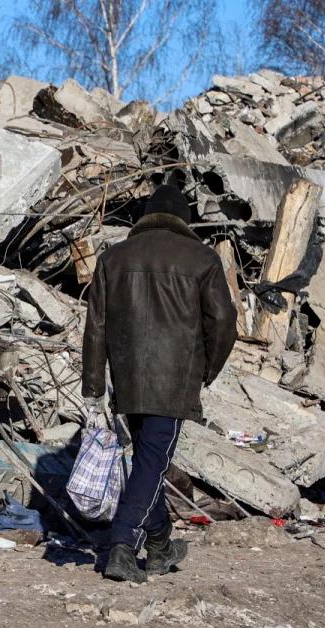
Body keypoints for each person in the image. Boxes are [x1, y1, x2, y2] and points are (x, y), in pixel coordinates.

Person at [81, 183, 237, 583]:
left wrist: (94, 385)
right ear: (183, 220)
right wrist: (206, 370)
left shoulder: (112, 259)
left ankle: (161, 544)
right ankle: (122, 544)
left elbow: (95, 327)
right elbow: (222, 322)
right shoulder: (201, 259)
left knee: (146, 463)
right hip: (174, 380)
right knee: (153, 462)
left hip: (128, 378)